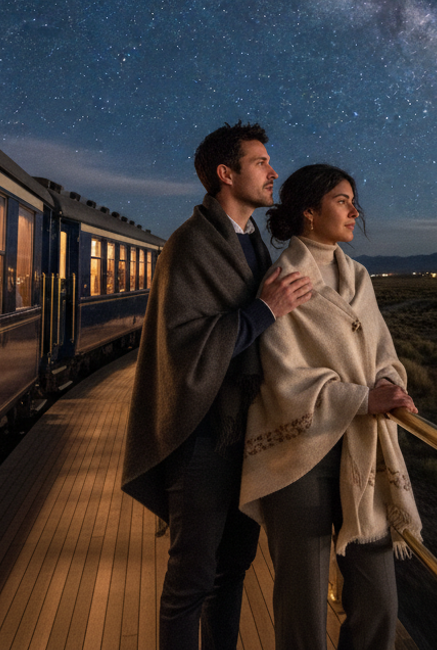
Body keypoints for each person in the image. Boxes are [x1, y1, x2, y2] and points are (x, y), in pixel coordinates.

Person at [122, 122, 313, 650]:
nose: (273, 171)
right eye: (260, 162)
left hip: (249, 432)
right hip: (202, 434)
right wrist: (265, 310)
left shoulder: (256, 246)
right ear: (226, 175)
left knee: (233, 569)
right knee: (191, 578)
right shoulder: (189, 246)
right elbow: (184, 344)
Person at [240, 164, 423, 650]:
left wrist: (389, 383)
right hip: (301, 454)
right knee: (301, 606)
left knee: (379, 601)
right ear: (309, 212)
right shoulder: (283, 279)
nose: (353, 210)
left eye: (352, 201)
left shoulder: (359, 276)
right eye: (341, 201)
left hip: (363, 451)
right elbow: (283, 378)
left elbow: (383, 352)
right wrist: (363, 397)